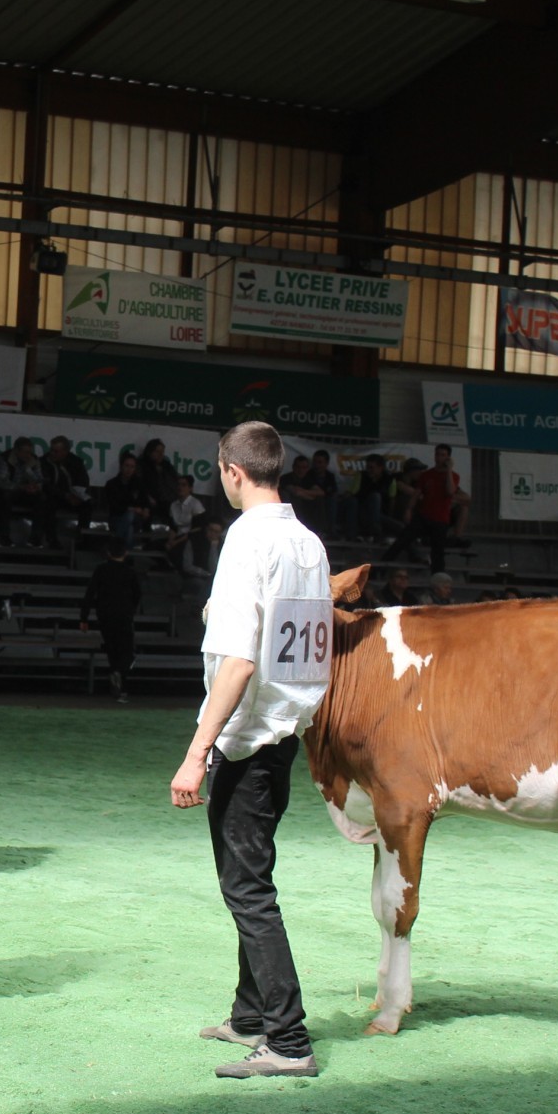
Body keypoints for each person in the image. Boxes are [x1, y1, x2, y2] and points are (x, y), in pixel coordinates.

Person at [169, 420, 329, 1079]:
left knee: (248, 888)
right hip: (287, 729)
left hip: (249, 735)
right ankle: (251, 1013)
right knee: (251, 875)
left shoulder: (246, 540)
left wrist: (196, 751)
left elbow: (237, 662)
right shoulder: (308, 541)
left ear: (230, 471)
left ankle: (287, 1038)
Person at [383, 444, 468, 573]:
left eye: (442, 455)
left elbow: (450, 491)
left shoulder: (453, 476)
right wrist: (409, 510)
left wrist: (449, 470)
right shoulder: (427, 475)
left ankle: (437, 578)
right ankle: (381, 567)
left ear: (448, 457)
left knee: (438, 553)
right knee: (402, 540)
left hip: (440, 518)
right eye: (437, 454)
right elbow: (417, 493)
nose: (439, 458)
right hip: (423, 516)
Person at [80, 536, 143, 703]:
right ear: (126, 552)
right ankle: (121, 679)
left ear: (108, 552)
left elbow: (90, 593)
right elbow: (137, 594)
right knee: (126, 649)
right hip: (124, 615)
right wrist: (131, 609)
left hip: (105, 614)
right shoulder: (129, 571)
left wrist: (84, 617)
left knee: (112, 647)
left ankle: (115, 674)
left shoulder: (101, 569)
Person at [0, 436, 49, 544]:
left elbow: (39, 479)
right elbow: (2, 482)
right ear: (16, 451)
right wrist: (21, 487)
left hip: (25, 492)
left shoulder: (33, 460)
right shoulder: (4, 459)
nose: (28, 455)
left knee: (42, 498)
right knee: (5, 497)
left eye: (30, 452)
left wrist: (35, 487)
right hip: (9, 491)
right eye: (25, 452)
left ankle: (36, 537)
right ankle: (4, 536)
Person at [103, 452, 155, 550]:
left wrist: (146, 509)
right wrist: (132, 509)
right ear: (121, 466)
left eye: (132, 467)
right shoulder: (111, 484)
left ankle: (115, 548)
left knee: (131, 517)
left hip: (136, 520)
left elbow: (145, 501)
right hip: (116, 518)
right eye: (127, 466)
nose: (129, 469)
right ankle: (127, 556)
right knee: (129, 527)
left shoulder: (139, 483)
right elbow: (114, 506)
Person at [41, 435, 91, 533]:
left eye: (56, 451)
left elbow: (83, 481)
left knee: (87, 505)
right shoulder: (44, 462)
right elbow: (47, 485)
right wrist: (65, 495)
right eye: (51, 450)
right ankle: (51, 539)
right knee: (47, 503)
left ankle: (82, 539)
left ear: (65, 452)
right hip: (55, 497)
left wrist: (78, 496)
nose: (52, 453)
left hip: (73, 497)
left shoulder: (76, 462)